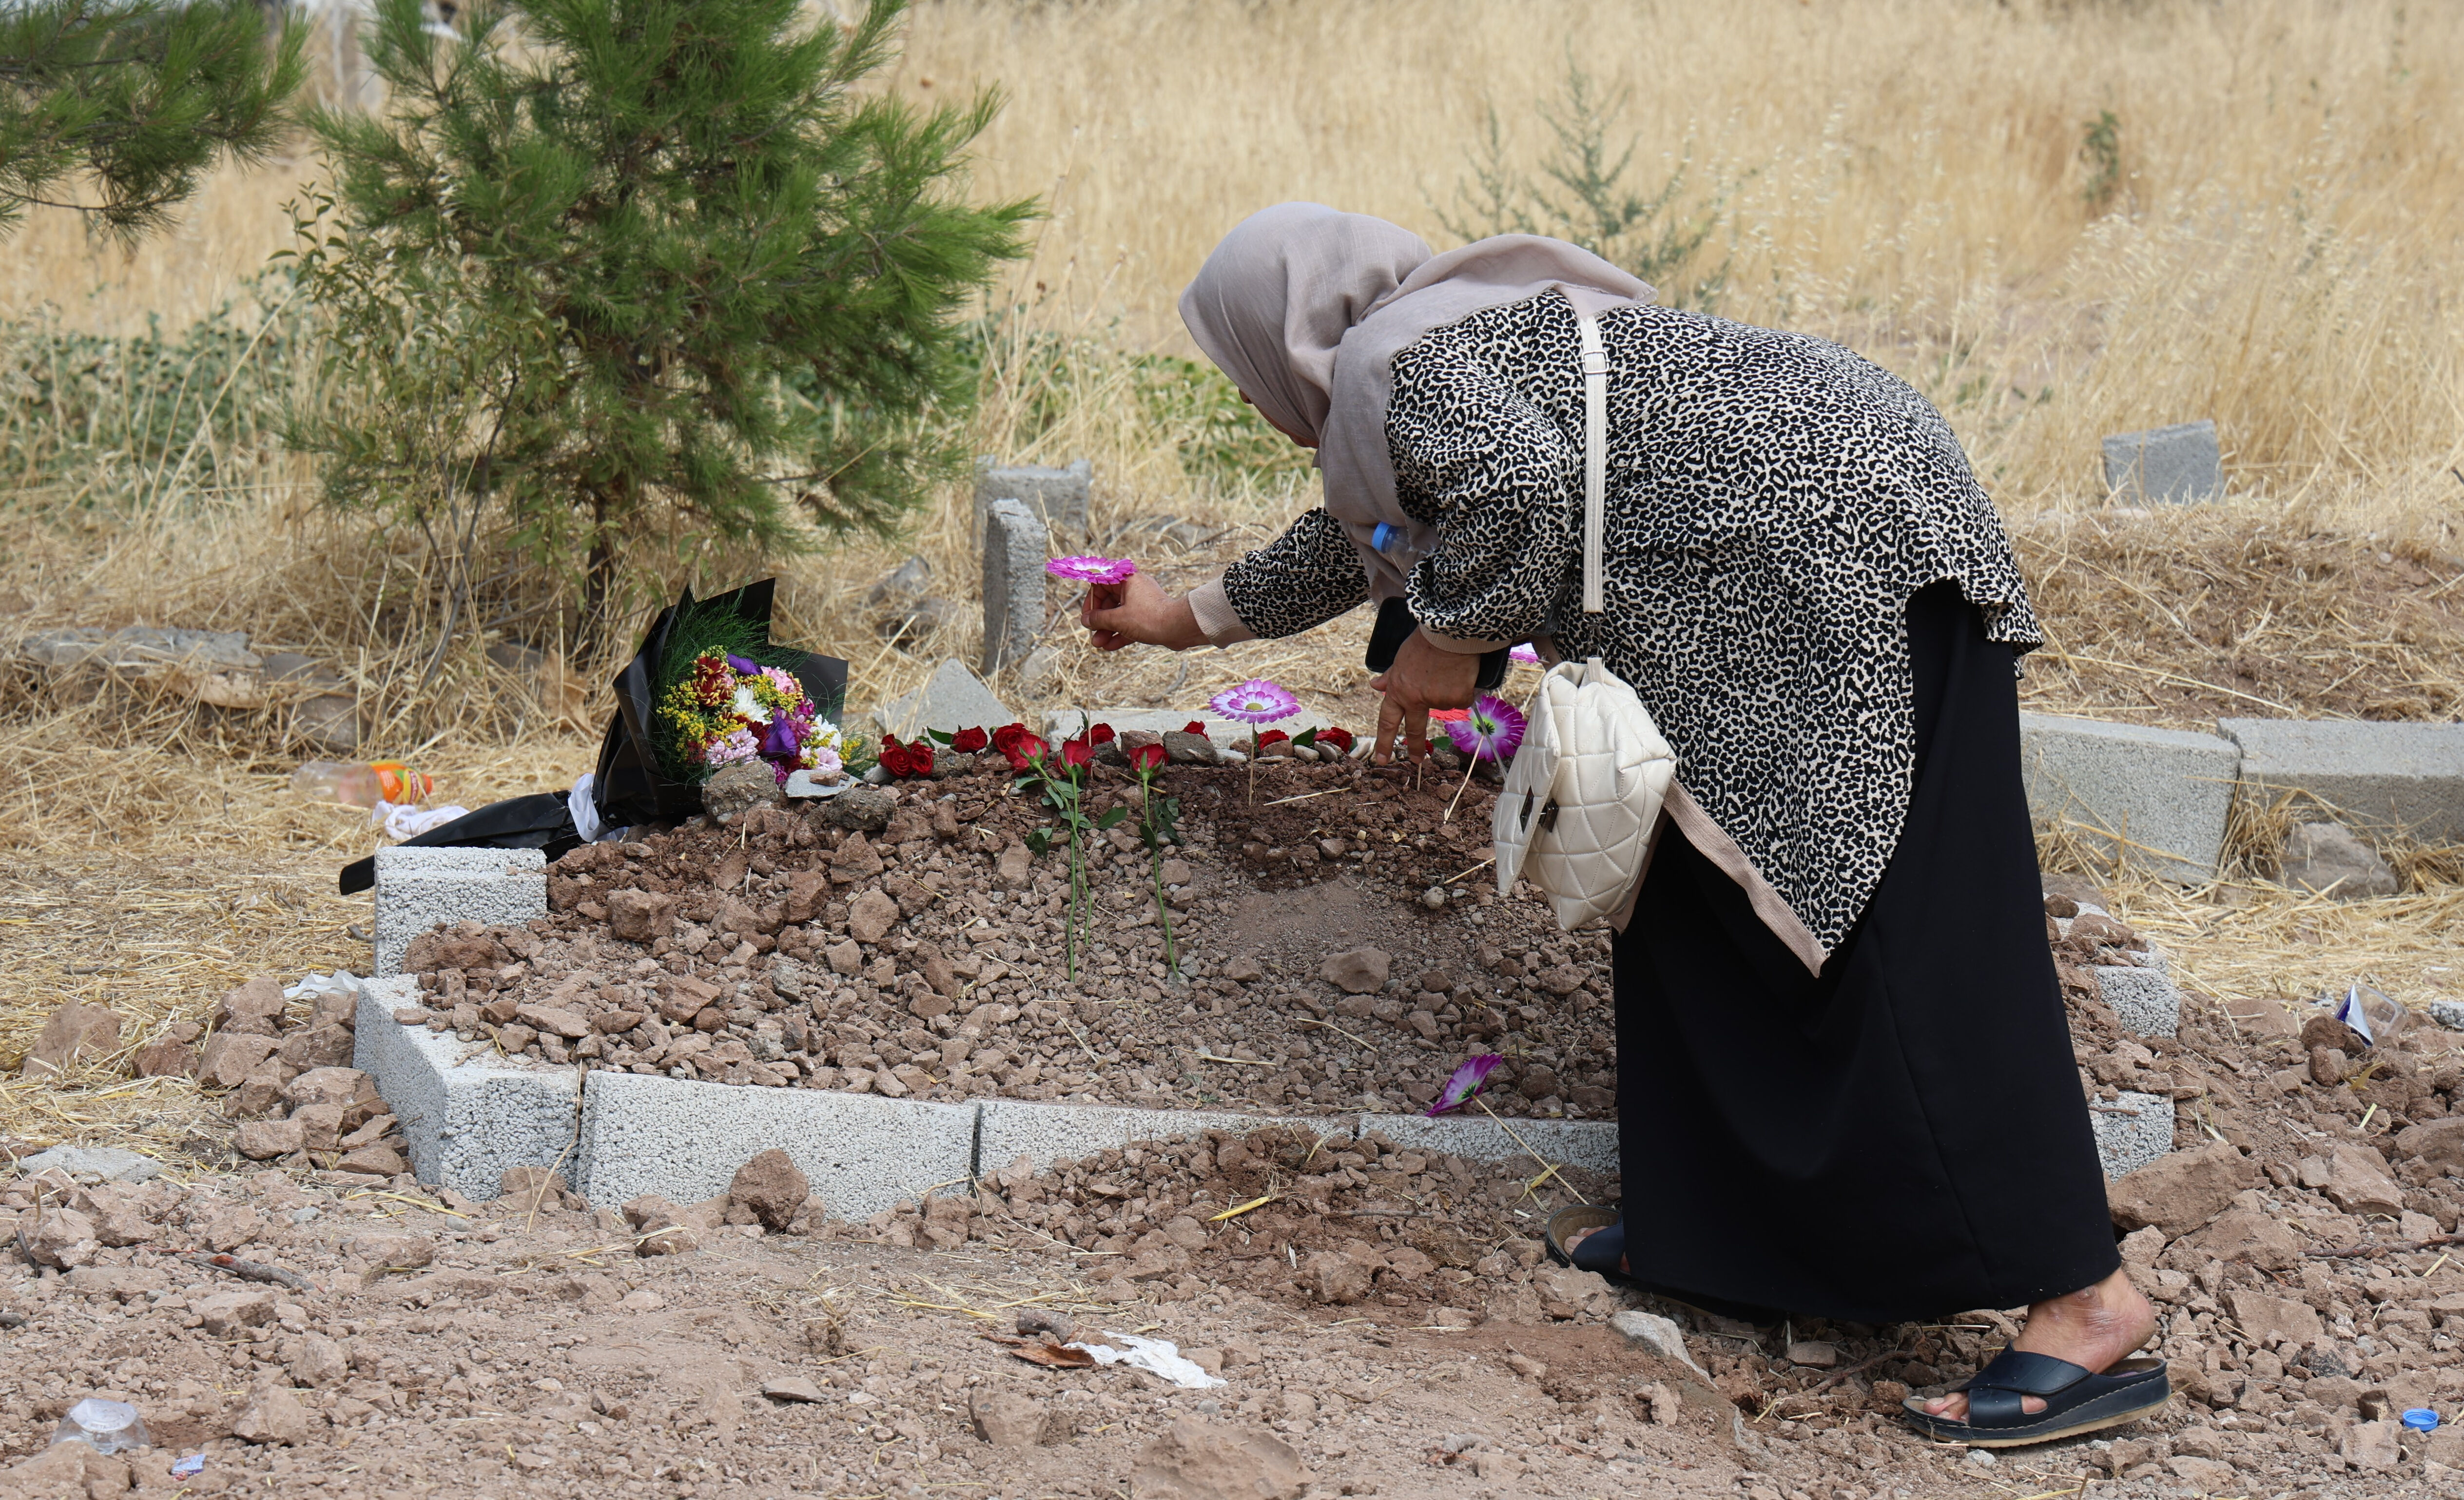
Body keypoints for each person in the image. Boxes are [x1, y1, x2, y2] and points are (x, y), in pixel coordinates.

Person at [1073, 202, 2167, 1448]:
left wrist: (1444, 643)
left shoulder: (1404, 364)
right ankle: (1737, 1232)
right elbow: (1378, 530)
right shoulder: (1428, 348)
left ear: (1283, 333)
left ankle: (2087, 1305)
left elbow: (1518, 490)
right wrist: (1186, 619)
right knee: (1701, 894)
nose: (1253, 398)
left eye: (1242, 366)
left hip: (1850, 558)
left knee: (1905, 929)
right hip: (1785, 557)